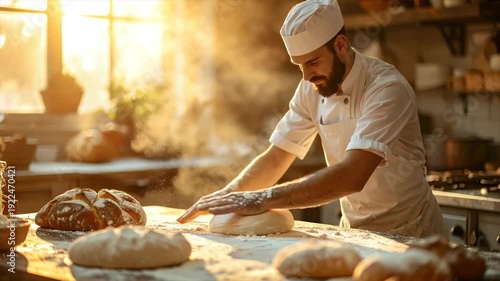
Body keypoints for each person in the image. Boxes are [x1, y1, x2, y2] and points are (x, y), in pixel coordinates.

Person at [177, 0, 444, 238]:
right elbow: (276, 157)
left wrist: (264, 197)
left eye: (313, 63)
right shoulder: (312, 88)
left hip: (413, 233)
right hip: (357, 233)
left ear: (341, 45)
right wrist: (230, 195)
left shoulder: (386, 88)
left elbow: (353, 175)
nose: (306, 76)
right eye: (300, 65)